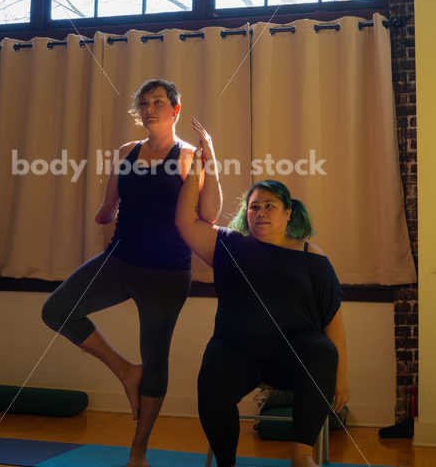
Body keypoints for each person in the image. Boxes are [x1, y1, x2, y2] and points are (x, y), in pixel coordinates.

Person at [42, 80, 221, 467]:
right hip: (119, 259)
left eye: (158, 101)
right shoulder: (126, 152)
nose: (149, 107)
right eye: (144, 102)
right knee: (55, 311)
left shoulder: (189, 156)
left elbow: (207, 216)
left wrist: (213, 164)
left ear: (175, 110)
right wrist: (102, 214)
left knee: (156, 357)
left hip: (166, 271)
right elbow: (108, 207)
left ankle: (138, 452)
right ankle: (126, 371)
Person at [175, 133, 349, 467]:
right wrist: (203, 165)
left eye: (271, 206)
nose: (262, 212)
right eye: (254, 206)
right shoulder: (228, 246)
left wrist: (341, 375)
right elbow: (185, 222)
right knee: (211, 375)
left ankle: (302, 457)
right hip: (238, 354)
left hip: (292, 357)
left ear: (288, 214)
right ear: (246, 214)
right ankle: (226, 463)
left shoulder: (313, 257)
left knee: (322, 349)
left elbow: (333, 321)